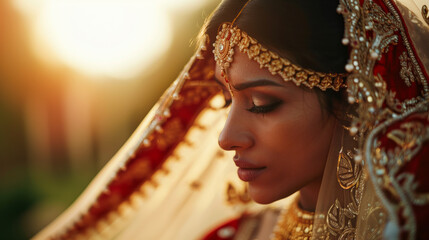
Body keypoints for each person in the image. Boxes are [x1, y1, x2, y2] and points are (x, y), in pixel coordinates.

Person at [34, 0, 429, 239]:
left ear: (359, 100)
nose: (226, 138)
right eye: (226, 103)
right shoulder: (237, 237)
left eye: (260, 103)